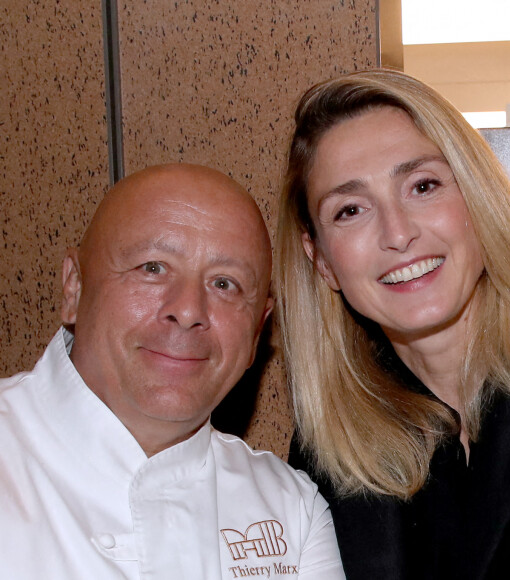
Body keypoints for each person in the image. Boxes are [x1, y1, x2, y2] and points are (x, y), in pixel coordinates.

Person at [275, 69, 510, 579]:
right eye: (350, 210)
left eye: (423, 185)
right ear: (321, 259)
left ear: (478, 199)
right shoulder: (329, 453)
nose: (397, 233)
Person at [0, 163, 345, 579]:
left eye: (224, 284)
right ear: (74, 287)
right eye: (153, 267)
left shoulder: (292, 510)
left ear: (258, 329)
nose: (187, 310)